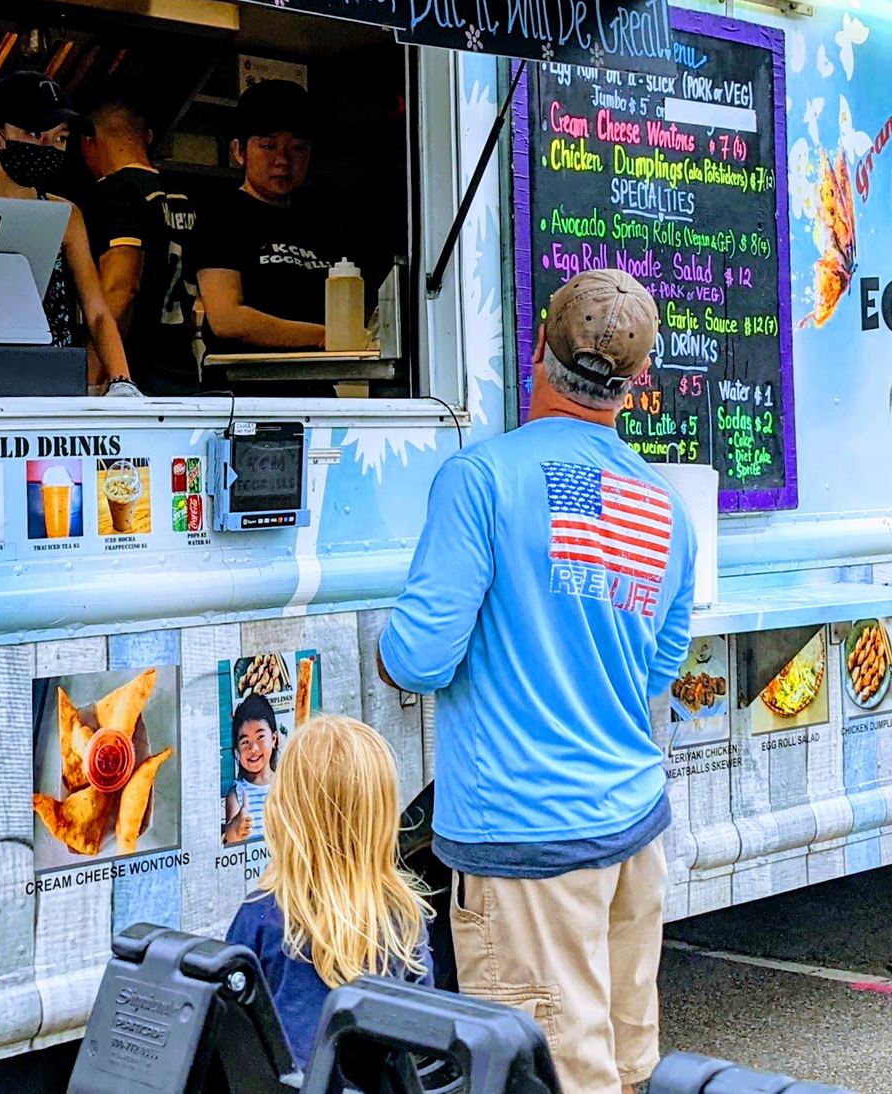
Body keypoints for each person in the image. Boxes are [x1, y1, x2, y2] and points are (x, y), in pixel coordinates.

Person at [375, 268, 696, 1094]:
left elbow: (416, 659)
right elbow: (660, 667)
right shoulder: (666, 507)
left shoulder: (480, 481)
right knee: (628, 1069)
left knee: (550, 1080)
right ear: (637, 384)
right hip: (632, 827)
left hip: (526, 844)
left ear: (536, 351)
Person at [225, 714, 434, 1065]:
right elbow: (425, 1038)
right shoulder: (404, 918)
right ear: (381, 819)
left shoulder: (260, 916)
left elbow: (225, 1032)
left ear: (282, 812)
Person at [0, 69, 134, 393]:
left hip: (52, 383)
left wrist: (122, 381)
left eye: (60, 138)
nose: (47, 145)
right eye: (33, 132)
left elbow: (97, 312)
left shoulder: (64, 215)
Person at [191, 79, 343, 353]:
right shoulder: (221, 216)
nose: (283, 160)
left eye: (297, 147)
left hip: (317, 385)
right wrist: (323, 335)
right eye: (268, 146)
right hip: (244, 388)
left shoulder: (321, 221)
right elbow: (227, 320)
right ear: (238, 151)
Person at [81, 94, 202, 391]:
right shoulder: (183, 198)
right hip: (184, 368)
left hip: (136, 372)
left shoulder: (114, 192)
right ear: (147, 137)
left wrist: (93, 378)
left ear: (88, 142)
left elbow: (121, 288)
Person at [221, 691, 281, 845]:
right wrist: (236, 828)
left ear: (274, 739)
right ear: (237, 751)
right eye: (245, 742)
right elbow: (230, 840)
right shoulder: (237, 794)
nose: (253, 748)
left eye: (260, 737)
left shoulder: (286, 786)